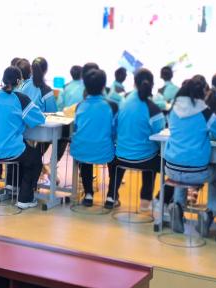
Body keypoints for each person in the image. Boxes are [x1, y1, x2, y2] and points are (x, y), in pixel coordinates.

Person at [0, 66, 47, 208]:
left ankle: (11, 185)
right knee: (34, 158)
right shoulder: (21, 98)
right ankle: (25, 199)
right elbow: (39, 119)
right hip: (7, 149)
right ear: (19, 81)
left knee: (22, 148)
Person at [163, 77, 216, 231]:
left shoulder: (173, 109)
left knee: (181, 170)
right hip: (196, 172)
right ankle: (209, 213)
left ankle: (177, 206)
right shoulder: (205, 112)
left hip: (171, 169)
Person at [108, 68, 166, 211]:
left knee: (118, 155)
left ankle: (111, 196)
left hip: (121, 156)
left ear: (134, 82)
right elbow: (160, 135)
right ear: (152, 84)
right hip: (146, 160)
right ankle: (146, 200)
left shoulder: (122, 102)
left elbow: (114, 126)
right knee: (161, 159)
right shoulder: (153, 109)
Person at [71, 69, 117, 208]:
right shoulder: (112, 106)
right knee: (117, 158)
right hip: (104, 152)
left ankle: (88, 194)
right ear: (103, 86)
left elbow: (76, 128)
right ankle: (111, 197)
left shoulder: (80, 105)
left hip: (81, 151)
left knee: (85, 154)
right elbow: (115, 132)